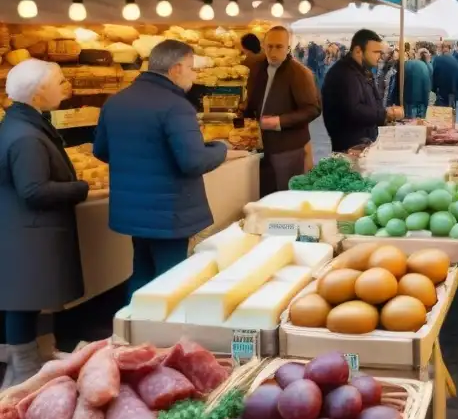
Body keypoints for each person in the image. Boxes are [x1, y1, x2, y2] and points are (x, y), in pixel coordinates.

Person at [94, 40, 227, 296]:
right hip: (169, 212)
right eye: (191, 67)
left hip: (133, 209)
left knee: (142, 270)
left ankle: (130, 330)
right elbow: (193, 161)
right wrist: (220, 149)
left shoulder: (116, 101)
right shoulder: (176, 106)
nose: (194, 74)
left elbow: (101, 150)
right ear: (176, 68)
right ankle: (165, 335)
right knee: (171, 278)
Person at [0, 60, 90, 385]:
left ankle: (29, 363)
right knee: (22, 302)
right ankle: (23, 373)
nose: (65, 85)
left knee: (23, 300)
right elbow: (33, 190)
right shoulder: (26, 137)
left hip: (23, 229)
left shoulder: (23, 124)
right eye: (60, 80)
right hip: (28, 231)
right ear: (39, 92)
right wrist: (80, 188)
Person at [244, 26, 321, 196]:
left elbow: (313, 109)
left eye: (278, 46)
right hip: (262, 146)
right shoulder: (257, 68)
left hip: (289, 148)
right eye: (269, 46)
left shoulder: (299, 73)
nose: (273, 51)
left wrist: (280, 121)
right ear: (263, 46)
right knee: (265, 194)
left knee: (287, 196)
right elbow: (254, 100)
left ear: (288, 47)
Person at [322, 29, 403, 152]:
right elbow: (353, 109)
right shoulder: (344, 74)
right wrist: (385, 114)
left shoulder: (362, 70)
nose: (380, 56)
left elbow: (371, 100)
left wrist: (384, 115)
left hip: (363, 141)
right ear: (358, 51)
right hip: (351, 146)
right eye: (376, 52)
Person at [403, 51, 432, 119]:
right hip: (422, 98)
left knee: (411, 122)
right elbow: (427, 84)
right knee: (421, 122)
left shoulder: (408, 63)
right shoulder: (427, 66)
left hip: (410, 98)